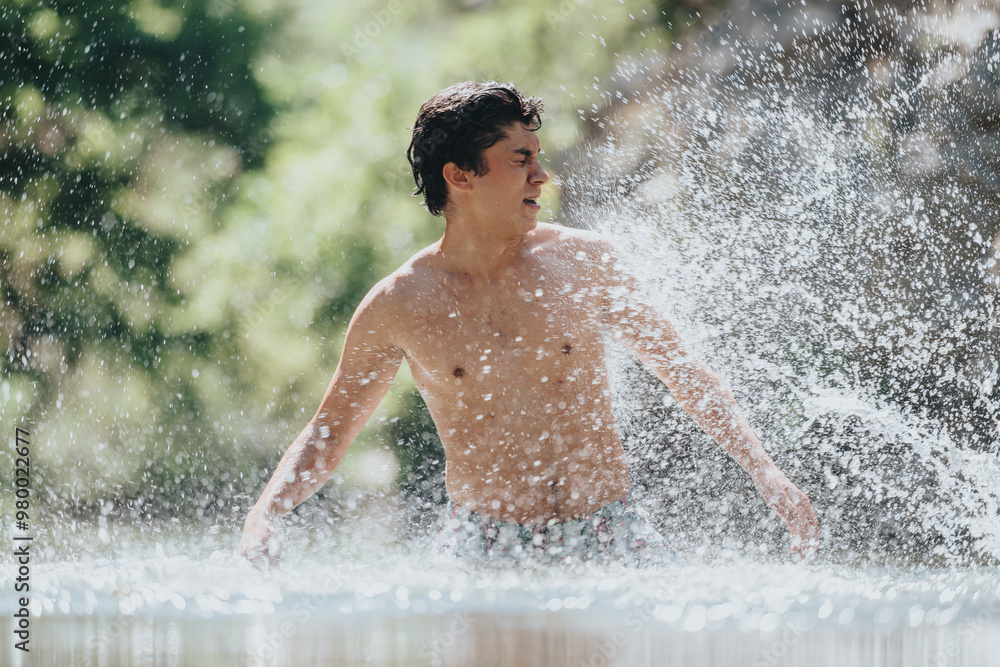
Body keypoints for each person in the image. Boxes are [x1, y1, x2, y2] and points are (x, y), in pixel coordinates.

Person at [238, 81, 819, 567]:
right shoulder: (398, 305)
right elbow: (329, 434)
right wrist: (264, 517)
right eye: (521, 160)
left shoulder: (585, 261)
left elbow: (681, 370)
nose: (542, 175)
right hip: (483, 546)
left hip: (612, 531)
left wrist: (767, 474)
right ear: (460, 176)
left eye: (537, 156)